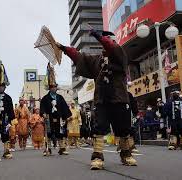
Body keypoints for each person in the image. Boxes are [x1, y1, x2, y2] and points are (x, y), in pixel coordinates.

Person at [56, 29, 137, 169]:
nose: (106, 44)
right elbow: (79, 57)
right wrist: (63, 48)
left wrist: (98, 35)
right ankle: (97, 157)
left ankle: (126, 154)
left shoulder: (120, 55)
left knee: (123, 129)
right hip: (101, 100)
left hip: (119, 99)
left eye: (108, 40)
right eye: (104, 41)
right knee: (99, 128)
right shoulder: (97, 60)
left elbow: (112, 47)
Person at [40, 64, 72, 156]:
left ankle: (62, 148)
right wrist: (43, 114)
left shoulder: (60, 97)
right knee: (49, 133)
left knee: (60, 133)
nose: (54, 88)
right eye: (52, 87)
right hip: (49, 117)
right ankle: (48, 149)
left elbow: (64, 107)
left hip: (59, 117)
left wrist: (66, 116)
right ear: (50, 88)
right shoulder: (45, 98)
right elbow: (42, 107)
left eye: (55, 86)